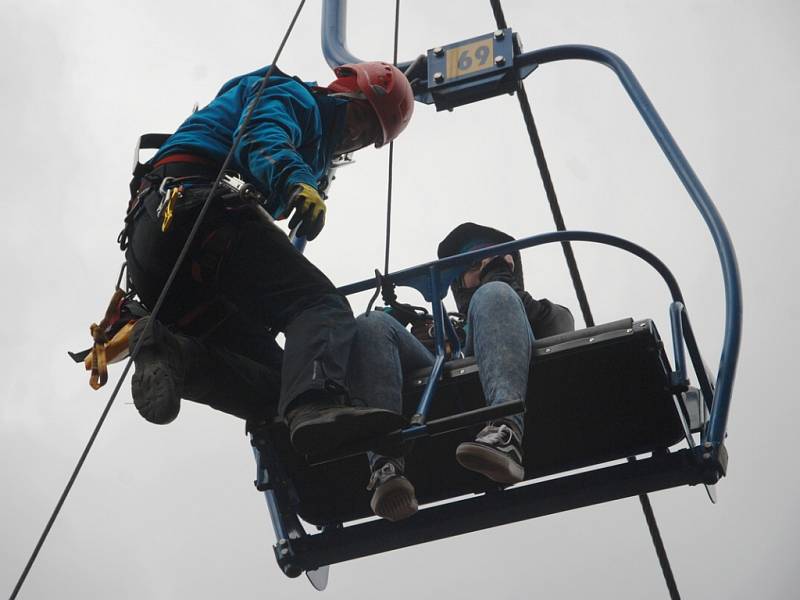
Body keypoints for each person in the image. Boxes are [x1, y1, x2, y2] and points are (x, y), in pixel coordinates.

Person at [120, 61, 415, 456]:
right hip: (194, 211)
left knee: (278, 386)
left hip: (160, 257)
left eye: (368, 137)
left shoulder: (312, 149)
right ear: (342, 90)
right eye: (360, 115)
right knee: (319, 306)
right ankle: (315, 405)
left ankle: (173, 355)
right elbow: (261, 135)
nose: (356, 134)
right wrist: (295, 179)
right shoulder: (296, 98)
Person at [346, 222, 575, 521]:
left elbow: (562, 346)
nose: (484, 268)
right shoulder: (439, 330)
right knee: (369, 325)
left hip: (514, 370)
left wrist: (504, 289)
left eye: (494, 260)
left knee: (493, 295)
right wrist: (397, 329)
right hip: (442, 381)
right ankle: (385, 468)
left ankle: (505, 432)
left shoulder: (545, 313)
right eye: (473, 264)